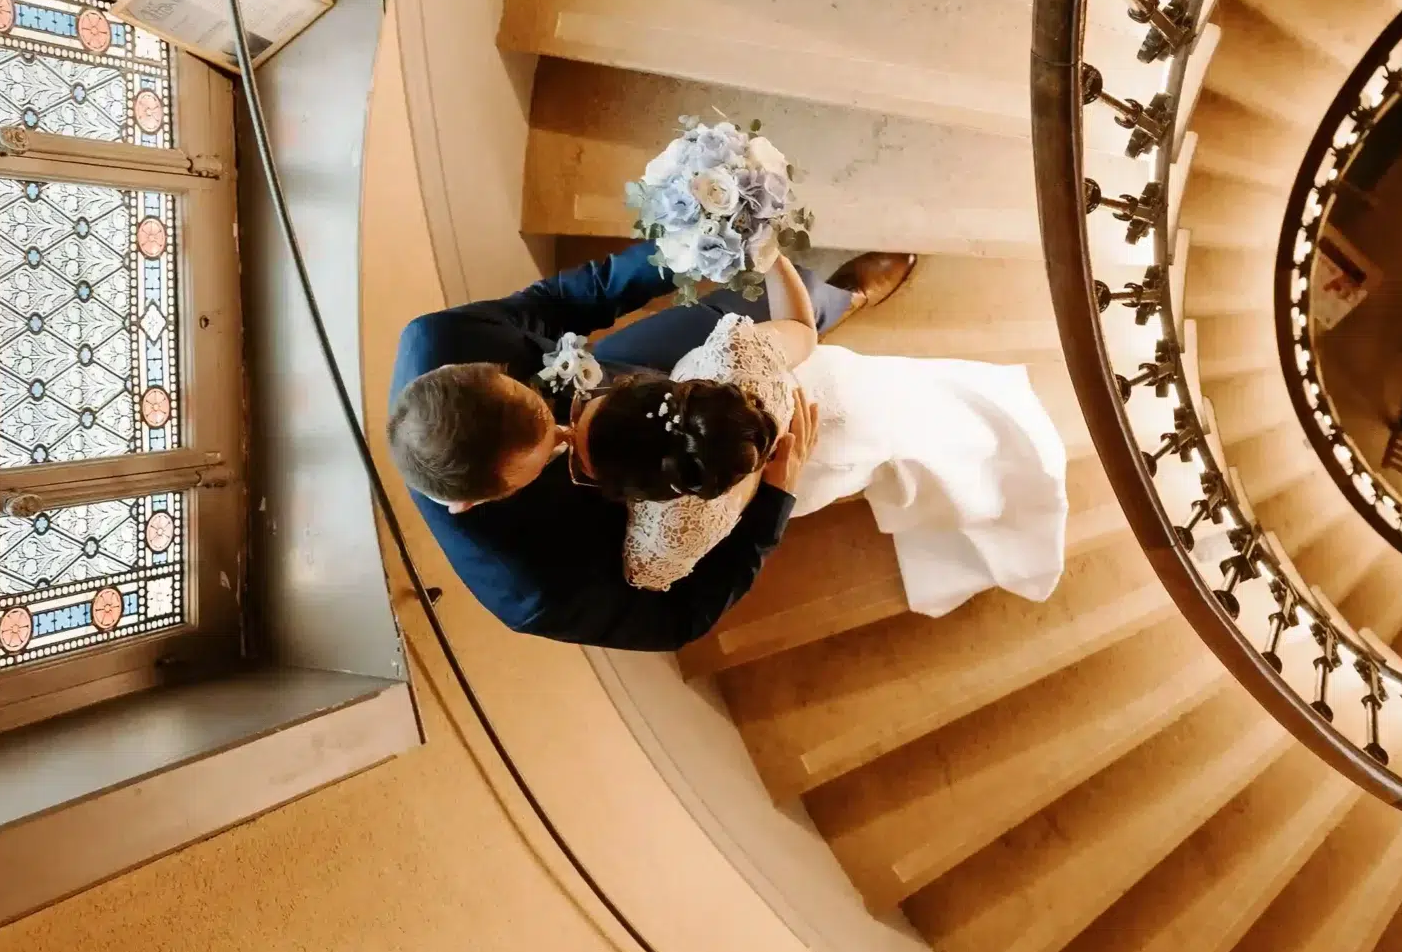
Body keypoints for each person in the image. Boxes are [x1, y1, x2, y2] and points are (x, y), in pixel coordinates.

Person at [387, 241, 913, 648]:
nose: (567, 427)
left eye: (546, 406)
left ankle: (839, 296)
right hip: (680, 472)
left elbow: (563, 300)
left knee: (743, 309)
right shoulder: (534, 592)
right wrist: (772, 502)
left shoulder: (441, 338)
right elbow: (678, 619)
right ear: (474, 502)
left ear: (474, 370)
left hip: (642, 388)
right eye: (552, 453)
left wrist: (686, 243)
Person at [590, 256, 1067, 619]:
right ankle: (847, 304)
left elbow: (646, 576)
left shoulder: (671, 535)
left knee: (879, 425)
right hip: (822, 418)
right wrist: (773, 258)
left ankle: (845, 299)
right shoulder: (728, 357)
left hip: (812, 451)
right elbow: (800, 329)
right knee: (882, 416)